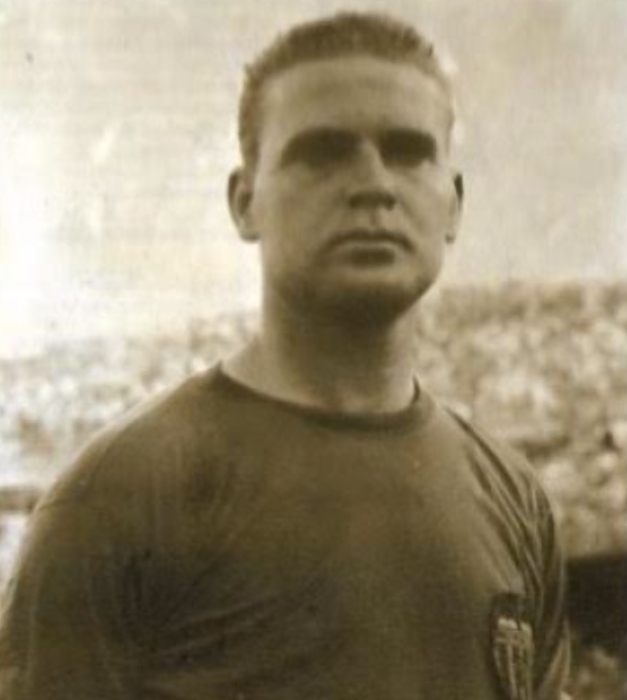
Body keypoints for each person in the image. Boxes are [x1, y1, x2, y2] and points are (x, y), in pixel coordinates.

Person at [0, 11, 571, 700]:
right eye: (322, 153)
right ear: (245, 202)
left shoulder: (514, 499)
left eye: (408, 151)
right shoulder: (118, 498)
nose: (373, 184)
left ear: (452, 204)